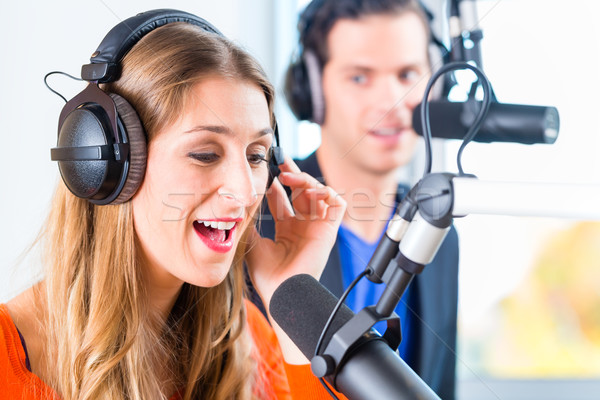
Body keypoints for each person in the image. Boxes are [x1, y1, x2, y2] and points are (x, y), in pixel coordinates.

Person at [0, 10, 347, 400]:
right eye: (204, 153)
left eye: (255, 156)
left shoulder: (251, 342)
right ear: (103, 167)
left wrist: (293, 298)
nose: (245, 191)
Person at [258, 0, 460, 398]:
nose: (392, 102)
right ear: (312, 91)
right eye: (359, 77)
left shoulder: (438, 233)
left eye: (407, 74)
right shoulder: (256, 220)